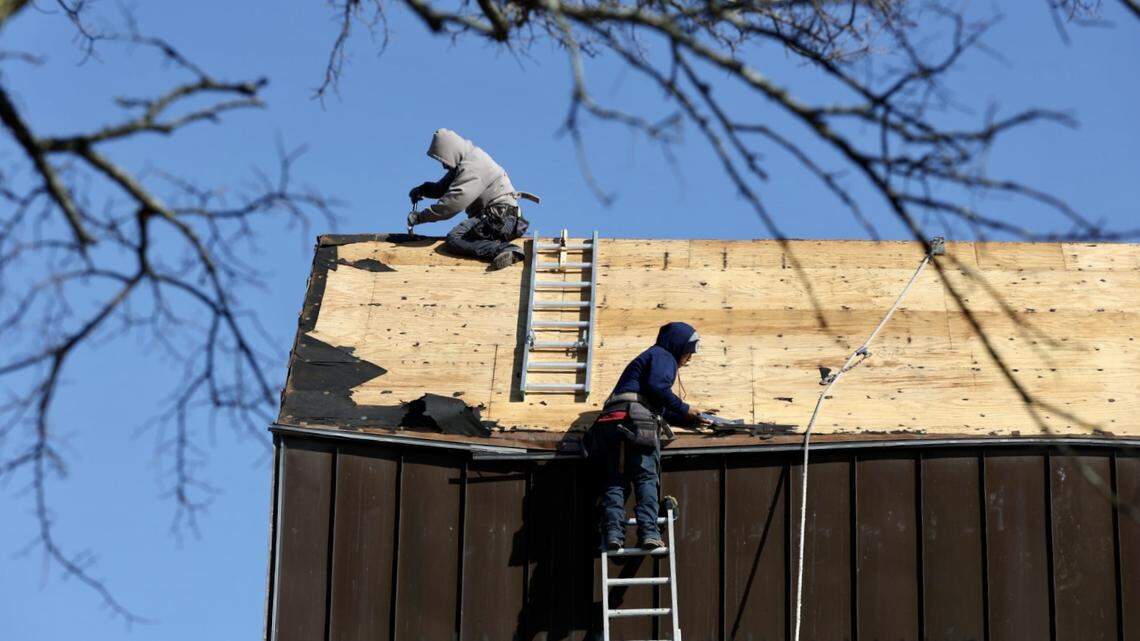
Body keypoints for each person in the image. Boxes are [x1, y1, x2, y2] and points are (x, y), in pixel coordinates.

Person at [583, 321, 711, 551]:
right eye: (688, 352)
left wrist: (690, 418)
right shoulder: (664, 356)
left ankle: (613, 533)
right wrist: (685, 408)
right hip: (636, 424)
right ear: (678, 346)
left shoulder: (648, 358)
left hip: (609, 424)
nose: (689, 359)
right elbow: (657, 388)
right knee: (645, 478)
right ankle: (649, 532)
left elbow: (656, 404)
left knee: (614, 481)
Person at [406, 128, 530, 270]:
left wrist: (420, 217)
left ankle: (506, 250)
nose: (444, 165)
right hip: (500, 219)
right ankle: (501, 249)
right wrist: (423, 190)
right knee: (462, 239)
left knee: (456, 238)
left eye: (443, 159)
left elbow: (451, 205)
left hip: (500, 219)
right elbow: (443, 188)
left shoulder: (473, 166)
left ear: (451, 153)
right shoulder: (466, 162)